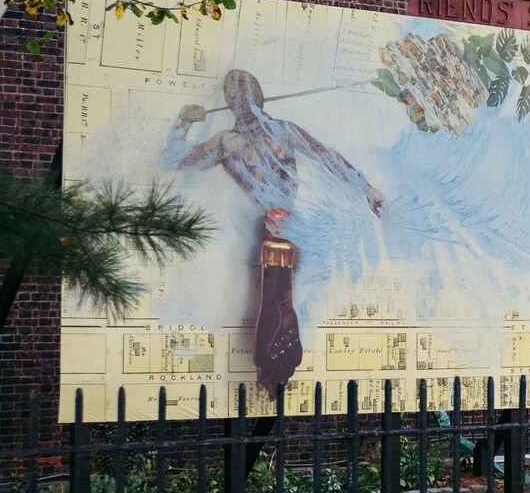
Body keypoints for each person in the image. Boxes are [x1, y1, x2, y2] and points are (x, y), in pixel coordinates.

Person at [164, 69, 384, 389]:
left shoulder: (282, 131)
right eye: (235, 94)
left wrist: (367, 188)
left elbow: (327, 157)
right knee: (273, 301)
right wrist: (182, 123)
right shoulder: (229, 142)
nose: (243, 99)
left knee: (288, 299)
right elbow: (174, 159)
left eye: (247, 91)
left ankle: (279, 364)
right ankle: (273, 365)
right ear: (230, 104)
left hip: (294, 231)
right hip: (267, 235)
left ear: (259, 95)